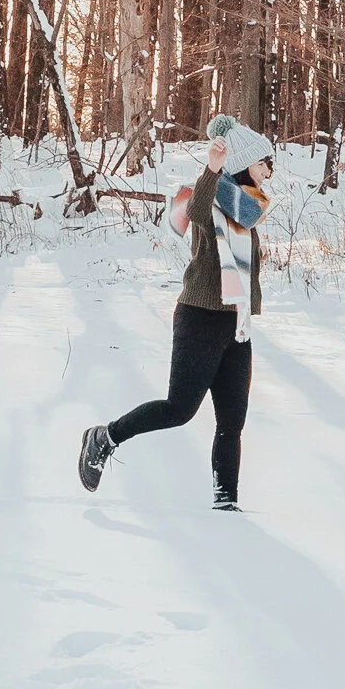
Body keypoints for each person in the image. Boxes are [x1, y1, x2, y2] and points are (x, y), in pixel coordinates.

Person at [78, 113, 272, 512]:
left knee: (232, 421)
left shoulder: (245, 206)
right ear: (243, 163)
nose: (269, 171)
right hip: (200, 318)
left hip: (236, 324)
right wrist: (212, 168)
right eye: (264, 162)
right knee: (179, 410)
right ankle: (105, 437)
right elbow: (196, 210)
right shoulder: (211, 195)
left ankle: (226, 504)